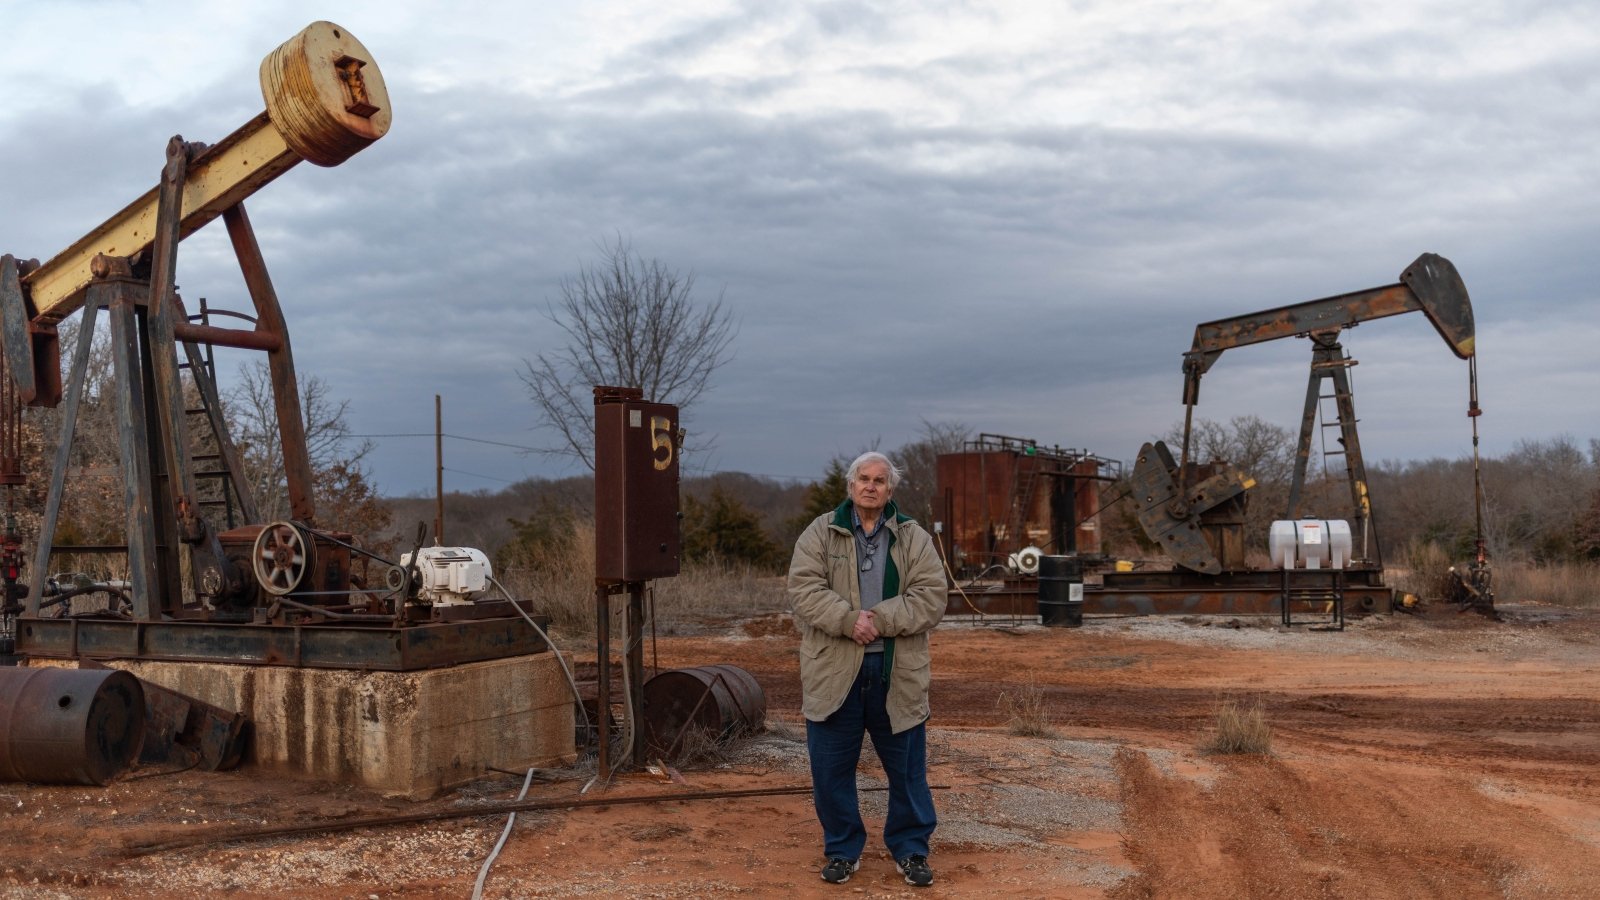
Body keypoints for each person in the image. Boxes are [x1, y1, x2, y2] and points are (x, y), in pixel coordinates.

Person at [788, 451, 947, 887]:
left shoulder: (913, 537)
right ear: (851, 485)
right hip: (835, 674)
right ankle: (842, 849)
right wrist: (846, 619)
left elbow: (932, 596)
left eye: (880, 480)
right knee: (831, 770)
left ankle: (911, 849)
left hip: (897, 675)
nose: (871, 486)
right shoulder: (821, 532)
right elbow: (803, 588)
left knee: (908, 771)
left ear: (890, 490)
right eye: (864, 478)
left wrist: (877, 620)